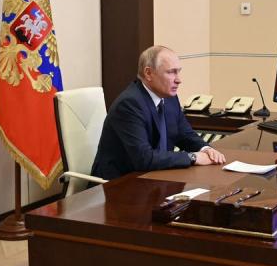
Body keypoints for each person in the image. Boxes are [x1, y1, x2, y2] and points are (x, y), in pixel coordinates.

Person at [91, 45, 227, 180]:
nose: (179, 80)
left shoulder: (169, 98)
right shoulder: (129, 104)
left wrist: (205, 149)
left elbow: (184, 134)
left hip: (154, 177)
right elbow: (143, 158)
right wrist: (192, 157)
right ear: (149, 73)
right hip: (119, 184)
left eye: (178, 71)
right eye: (171, 72)